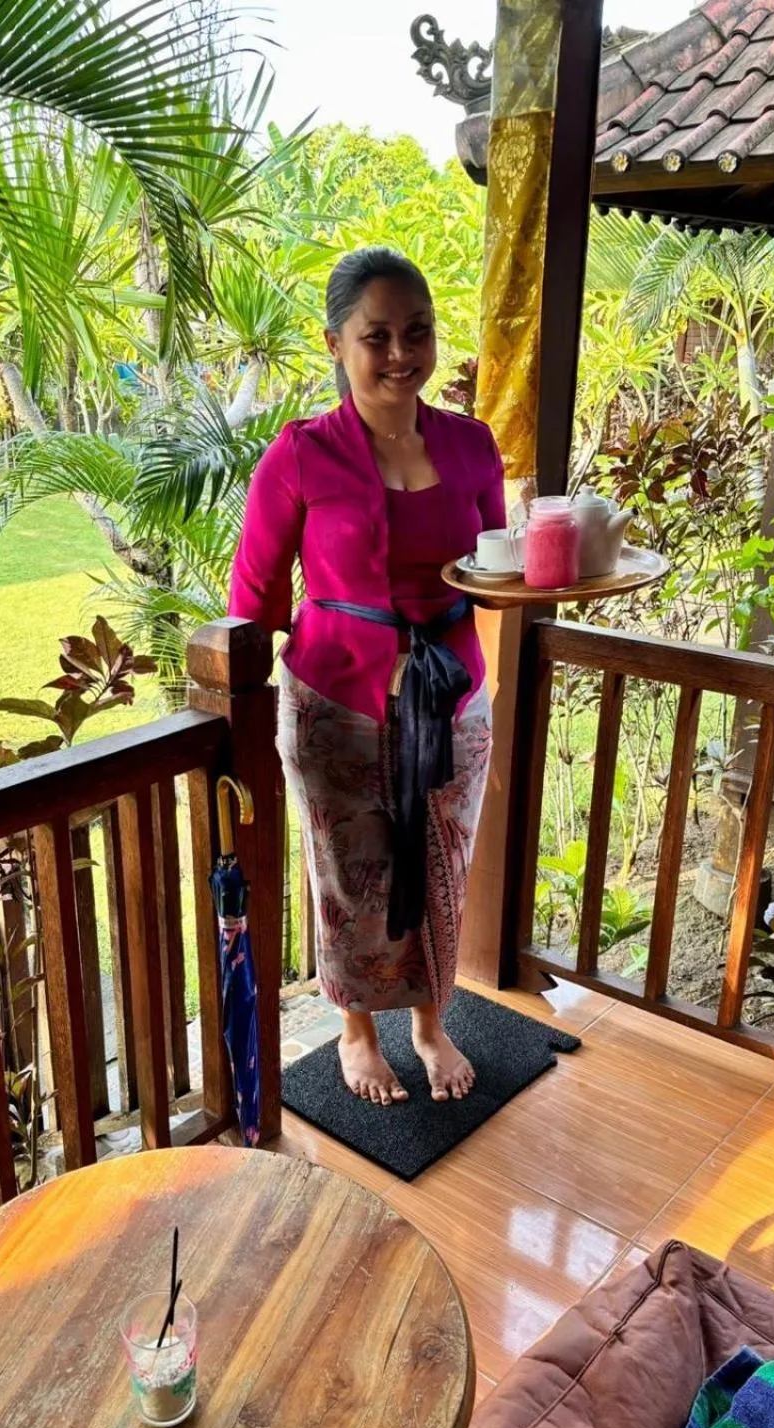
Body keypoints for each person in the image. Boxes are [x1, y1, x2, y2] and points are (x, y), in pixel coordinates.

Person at [228, 247, 505, 1106]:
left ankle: (429, 1023)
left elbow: (495, 564)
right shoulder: (301, 455)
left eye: (416, 332)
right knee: (351, 879)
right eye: (375, 336)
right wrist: (244, 711)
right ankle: (356, 1033)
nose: (399, 354)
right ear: (335, 344)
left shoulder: (471, 445)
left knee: (441, 865)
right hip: (336, 704)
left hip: (451, 698)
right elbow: (254, 596)